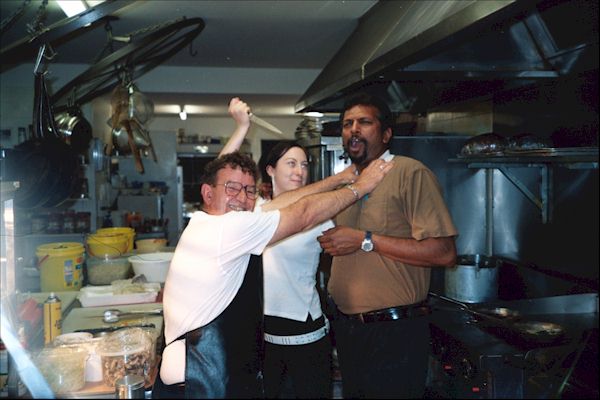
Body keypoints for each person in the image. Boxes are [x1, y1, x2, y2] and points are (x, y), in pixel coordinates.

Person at [155, 120, 393, 398]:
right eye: (232, 189)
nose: (242, 198)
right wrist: (360, 185)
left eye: (248, 190)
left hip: (228, 365)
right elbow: (301, 212)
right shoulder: (231, 228)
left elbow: (282, 205)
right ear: (208, 193)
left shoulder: (212, 222)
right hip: (201, 378)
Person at [317, 92, 458, 399]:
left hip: (394, 333)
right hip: (349, 329)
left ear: (386, 133)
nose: (353, 129)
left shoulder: (410, 173)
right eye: (347, 124)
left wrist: (365, 240)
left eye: (364, 122)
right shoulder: (348, 185)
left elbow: (444, 252)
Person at [220, 97, 334, 398]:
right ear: (270, 170)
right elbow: (221, 178)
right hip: (263, 329)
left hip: (306, 329)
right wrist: (241, 127)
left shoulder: (319, 213)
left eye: (305, 165)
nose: (300, 171)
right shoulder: (256, 210)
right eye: (291, 163)